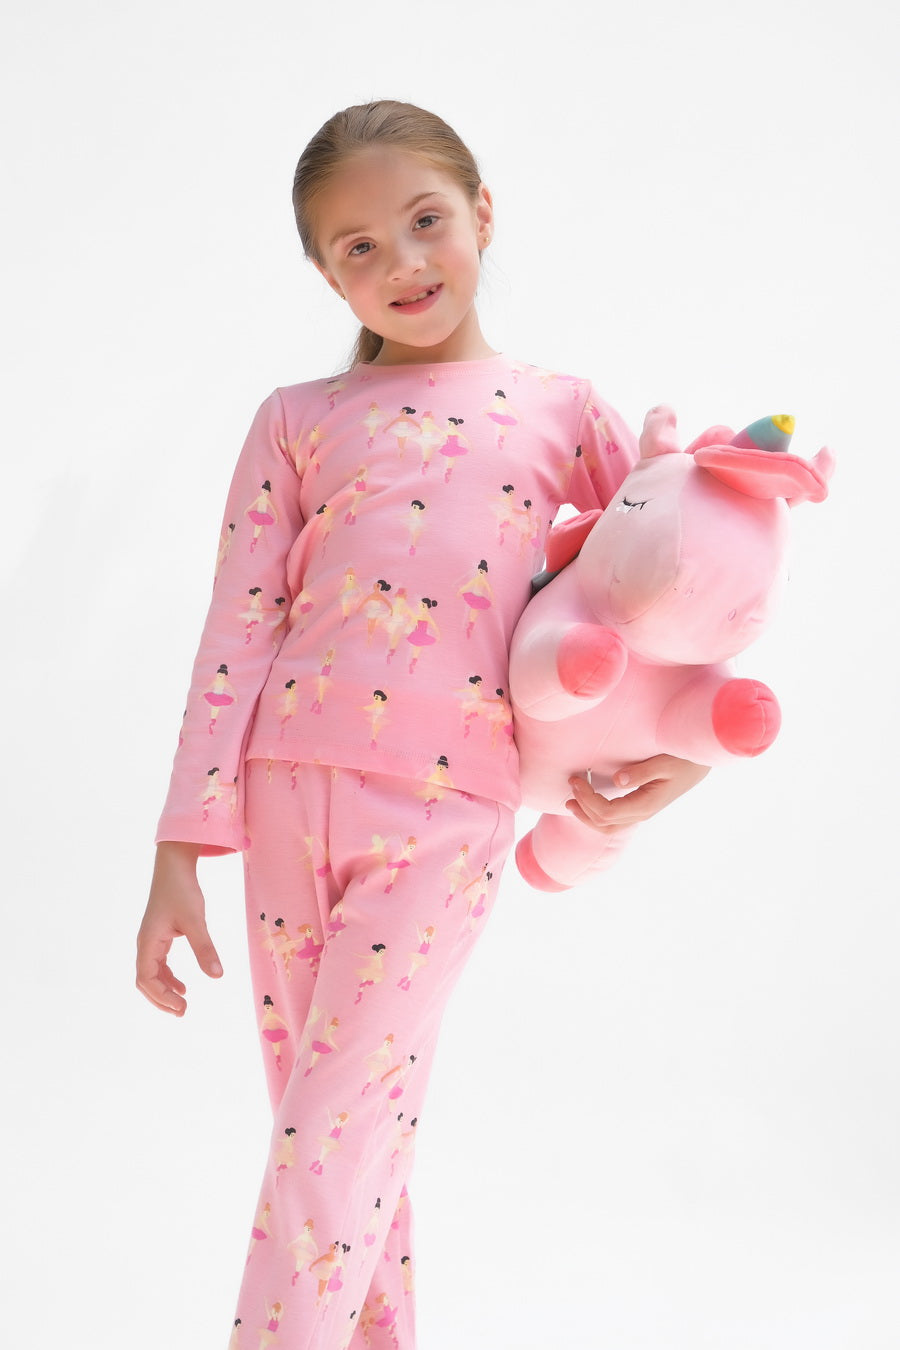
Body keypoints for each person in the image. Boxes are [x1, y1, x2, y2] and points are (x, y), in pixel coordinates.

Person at [136, 100, 710, 1350]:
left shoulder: (559, 406)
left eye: (425, 221)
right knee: (340, 1138)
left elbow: (663, 585)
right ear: (324, 272)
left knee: (327, 1142)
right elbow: (237, 628)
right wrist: (181, 850)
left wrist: (681, 757)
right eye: (359, 246)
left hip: (448, 813)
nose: (402, 262)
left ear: (481, 215)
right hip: (285, 799)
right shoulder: (296, 418)